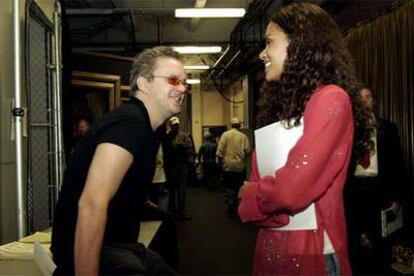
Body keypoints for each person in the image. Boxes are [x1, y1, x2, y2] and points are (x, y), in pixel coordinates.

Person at [237, 3, 372, 275]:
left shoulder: (331, 98)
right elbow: (268, 183)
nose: (262, 53)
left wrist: (251, 194)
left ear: (299, 45)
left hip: (311, 251)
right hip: (276, 246)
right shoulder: (285, 107)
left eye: (269, 42)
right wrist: (264, 195)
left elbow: (290, 191)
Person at [51, 46, 188, 275]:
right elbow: (92, 202)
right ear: (144, 84)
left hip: (120, 245)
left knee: (166, 228)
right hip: (97, 252)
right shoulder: (130, 123)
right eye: (174, 80)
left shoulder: (149, 129)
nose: (182, 88)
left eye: (185, 82)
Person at [345, 87, 405, 274]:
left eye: (368, 97)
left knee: (381, 242)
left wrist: (397, 197)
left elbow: (397, 162)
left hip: (380, 191)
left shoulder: (388, 128)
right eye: (361, 98)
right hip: (354, 191)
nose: (364, 101)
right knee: (352, 241)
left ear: (373, 101)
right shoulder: (348, 129)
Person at [216, 117, 251, 217]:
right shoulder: (243, 137)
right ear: (239, 125)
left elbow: (219, 152)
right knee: (238, 187)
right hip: (239, 166)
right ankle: (237, 204)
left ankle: (230, 202)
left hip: (227, 165)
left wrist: (220, 165)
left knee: (229, 186)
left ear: (231, 125)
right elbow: (248, 151)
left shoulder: (225, 135)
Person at [164, 116, 194, 221]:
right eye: (174, 125)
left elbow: (190, 149)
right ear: (171, 125)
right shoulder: (168, 137)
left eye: (177, 125)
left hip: (180, 165)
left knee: (180, 189)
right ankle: (175, 212)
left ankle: (179, 212)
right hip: (173, 165)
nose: (176, 126)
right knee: (174, 189)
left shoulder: (182, 136)